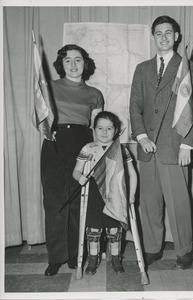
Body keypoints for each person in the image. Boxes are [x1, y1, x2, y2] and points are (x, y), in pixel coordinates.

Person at [130, 15, 193, 269]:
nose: (163, 37)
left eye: (168, 33)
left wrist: (187, 145)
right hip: (148, 147)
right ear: (153, 37)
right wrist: (141, 136)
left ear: (177, 36)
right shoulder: (142, 69)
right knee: (149, 203)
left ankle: (184, 250)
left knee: (179, 203)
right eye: (158, 33)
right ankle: (152, 248)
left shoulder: (188, 68)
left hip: (175, 148)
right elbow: (135, 106)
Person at [41, 44, 104, 276]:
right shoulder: (48, 87)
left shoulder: (95, 94)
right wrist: (46, 129)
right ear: (61, 64)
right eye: (68, 60)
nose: (73, 64)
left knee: (80, 201)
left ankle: (76, 254)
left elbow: (97, 128)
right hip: (55, 142)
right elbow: (38, 117)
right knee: (55, 201)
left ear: (85, 64)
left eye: (78, 60)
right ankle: (56, 258)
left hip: (83, 142)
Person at [73, 111, 137, 275]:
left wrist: (132, 195)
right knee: (93, 229)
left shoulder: (121, 150)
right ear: (94, 129)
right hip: (94, 194)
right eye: (100, 128)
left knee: (114, 229)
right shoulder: (88, 148)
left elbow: (132, 174)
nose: (104, 132)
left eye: (109, 128)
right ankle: (93, 257)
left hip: (114, 193)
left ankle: (115, 257)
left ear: (116, 130)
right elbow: (76, 171)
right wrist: (79, 177)